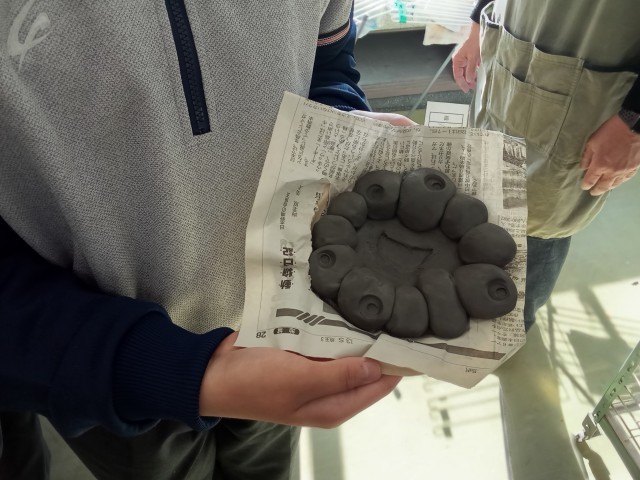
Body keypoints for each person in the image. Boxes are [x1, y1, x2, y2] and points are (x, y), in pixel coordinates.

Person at [0, 1, 408, 479]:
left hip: (287, 329)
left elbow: (328, 60)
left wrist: (341, 122)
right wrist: (150, 367)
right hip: (119, 377)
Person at [452, 0, 640, 330]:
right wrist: (478, 21)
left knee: (537, 221)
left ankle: (513, 323)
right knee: (482, 186)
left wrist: (634, 122)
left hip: (585, 72)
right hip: (507, 43)